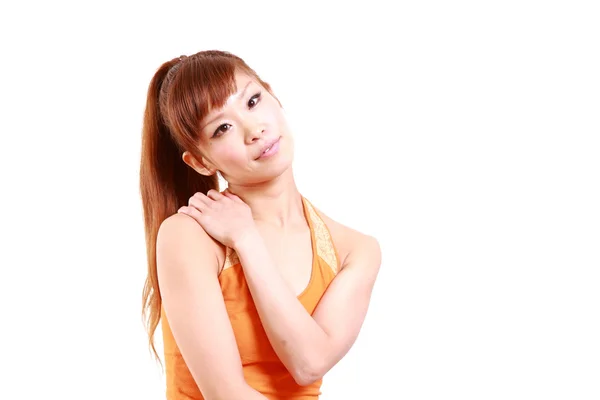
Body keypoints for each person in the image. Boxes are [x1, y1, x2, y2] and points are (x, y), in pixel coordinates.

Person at [139, 49, 382, 400]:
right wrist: (239, 237)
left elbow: (309, 363)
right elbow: (226, 395)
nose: (254, 130)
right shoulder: (187, 236)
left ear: (274, 96)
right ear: (201, 162)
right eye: (222, 128)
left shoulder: (354, 251)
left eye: (253, 101)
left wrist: (246, 238)